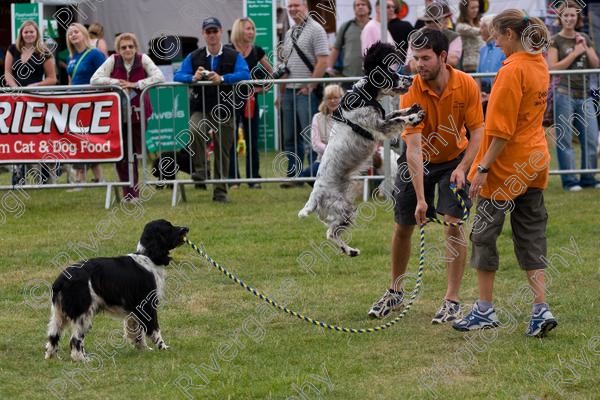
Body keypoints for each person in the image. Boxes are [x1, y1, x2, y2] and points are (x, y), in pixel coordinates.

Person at [452, 10, 558, 338]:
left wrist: (481, 168)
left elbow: (500, 131)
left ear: (510, 34)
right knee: (530, 235)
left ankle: (484, 309)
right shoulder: (539, 63)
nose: (494, 42)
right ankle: (541, 308)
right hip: (535, 162)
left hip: (506, 167)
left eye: (497, 36)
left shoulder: (512, 71)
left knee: (483, 235)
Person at [368, 28, 484, 322]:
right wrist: (421, 198)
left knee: (453, 224)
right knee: (403, 224)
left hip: (454, 159)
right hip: (418, 159)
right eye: (415, 58)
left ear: (443, 57)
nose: (418, 64)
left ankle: (452, 300)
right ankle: (395, 292)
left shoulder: (467, 84)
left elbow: (478, 132)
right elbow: (414, 148)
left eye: (425, 58)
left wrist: (463, 168)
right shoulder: (411, 90)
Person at [174, 17, 250, 203]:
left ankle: (220, 192)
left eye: (214, 31)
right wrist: (194, 77)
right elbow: (178, 75)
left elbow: (245, 73)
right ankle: (201, 169)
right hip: (201, 107)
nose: (212, 35)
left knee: (223, 152)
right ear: (203, 34)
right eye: (208, 32)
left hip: (226, 109)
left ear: (221, 32)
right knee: (194, 128)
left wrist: (223, 79)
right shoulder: (194, 56)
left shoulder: (233, 55)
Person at [91, 32, 165, 201]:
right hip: (118, 115)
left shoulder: (143, 59)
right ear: (118, 49)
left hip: (139, 113)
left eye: (131, 46)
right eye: (123, 47)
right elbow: (95, 79)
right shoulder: (112, 60)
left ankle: (134, 191)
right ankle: (128, 192)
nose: (127, 50)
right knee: (122, 154)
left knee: (134, 153)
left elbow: (159, 76)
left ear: (135, 47)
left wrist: (136, 84)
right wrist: (116, 83)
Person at [547, 0, 600, 191]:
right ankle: (569, 180)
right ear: (560, 18)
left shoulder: (584, 37)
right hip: (564, 93)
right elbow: (552, 67)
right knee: (565, 138)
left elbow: (596, 64)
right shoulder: (555, 40)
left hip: (584, 94)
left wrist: (584, 47)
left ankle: (589, 177)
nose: (569, 18)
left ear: (578, 17)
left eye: (573, 15)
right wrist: (574, 53)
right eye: (566, 15)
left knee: (591, 137)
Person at [278, 0, 329, 187]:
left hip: (306, 93)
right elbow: (286, 66)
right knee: (290, 138)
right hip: (289, 92)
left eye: (296, 5)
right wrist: (280, 93)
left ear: (305, 7)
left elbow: (323, 60)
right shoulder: (290, 33)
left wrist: (311, 86)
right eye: (290, 6)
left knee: (311, 138)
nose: (292, 9)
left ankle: (314, 176)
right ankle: (294, 176)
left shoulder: (316, 29)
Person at [4, 20, 58, 185]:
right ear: (21, 33)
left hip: (36, 100)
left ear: (37, 34)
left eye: (31, 32)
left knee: (36, 135)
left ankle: (43, 173)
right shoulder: (13, 49)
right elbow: (7, 72)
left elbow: (52, 78)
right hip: (16, 100)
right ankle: (19, 174)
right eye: (25, 32)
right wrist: (15, 89)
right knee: (16, 135)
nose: (28, 34)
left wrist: (36, 85)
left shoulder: (44, 52)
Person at [227, 17, 273, 190]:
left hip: (250, 101)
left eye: (253, 29)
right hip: (229, 101)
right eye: (248, 28)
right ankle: (233, 179)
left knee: (252, 139)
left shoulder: (257, 51)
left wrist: (262, 88)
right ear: (239, 30)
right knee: (230, 140)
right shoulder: (228, 51)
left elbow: (271, 72)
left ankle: (254, 178)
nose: (251, 32)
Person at [66, 23, 107, 186]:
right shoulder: (72, 56)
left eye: (76, 32)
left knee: (86, 138)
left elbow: (104, 74)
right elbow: (71, 79)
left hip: (91, 103)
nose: (73, 35)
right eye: (70, 34)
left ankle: (79, 178)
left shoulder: (95, 54)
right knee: (81, 138)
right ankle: (98, 177)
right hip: (76, 102)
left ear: (84, 34)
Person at [298, 84, 344, 180]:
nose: (332, 101)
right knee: (307, 174)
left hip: (345, 160)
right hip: (324, 160)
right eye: (329, 98)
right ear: (324, 100)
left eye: (335, 97)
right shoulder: (317, 117)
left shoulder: (349, 117)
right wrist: (332, 151)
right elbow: (315, 144)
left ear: (342, 99)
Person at [406, 3, 462, 71]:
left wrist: (424, 60)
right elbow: (411, 65)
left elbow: (452, 61)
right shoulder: (414, 36)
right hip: (421, 79)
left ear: (444, 20)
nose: (432, 24)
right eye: (428, 21)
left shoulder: (453, 36)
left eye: (436, 21)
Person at [327, 0, 371, 83]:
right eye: (357, 5)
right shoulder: (346, 26)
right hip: (349, 76)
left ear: (369, 8)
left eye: (363, 4)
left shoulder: (375, 26)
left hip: (371, 77)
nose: (360, 7)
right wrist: (329, 67)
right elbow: (336, 48)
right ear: (354, 9)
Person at [476, 14, 506, 115]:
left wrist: (493, 95)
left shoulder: (503, 48)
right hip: (484, 93)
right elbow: (478, 75)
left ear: (491, 28)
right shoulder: (482, 49)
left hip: (499, 92)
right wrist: (479, 94)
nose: (480, 30)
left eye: (482, 27)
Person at [455, 0, 484, 73]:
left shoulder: (478, 24)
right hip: (470, 66)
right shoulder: (460, 27)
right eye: (472, 8)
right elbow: (479, 31)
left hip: (482, 63)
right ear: (464, 10)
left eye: (477, 7)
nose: (476, 10)